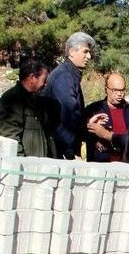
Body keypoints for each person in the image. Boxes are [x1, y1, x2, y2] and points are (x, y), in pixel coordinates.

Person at [41, 31, 95, 159]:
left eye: (89, 52)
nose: (89, 57)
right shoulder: (63, 76)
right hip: (60, 150)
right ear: (71, 51)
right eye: (85, 51)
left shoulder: (71, 74)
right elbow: (67, 115)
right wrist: (70, 152)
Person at [0, 58, 58, 157]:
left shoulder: (38, 101)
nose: (45, 85)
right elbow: (9, 139)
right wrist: (23, 166)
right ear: (32, 78)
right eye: (44, 80)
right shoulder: (12, 99)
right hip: (26, 169)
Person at [84, 73, 129, 162]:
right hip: (100, 166)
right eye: (115, 90)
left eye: (122, 90)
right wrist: (90, 125)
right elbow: (80, 134)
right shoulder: (93, 109)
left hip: (126, 165)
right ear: (106, 89)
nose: (120, 94)